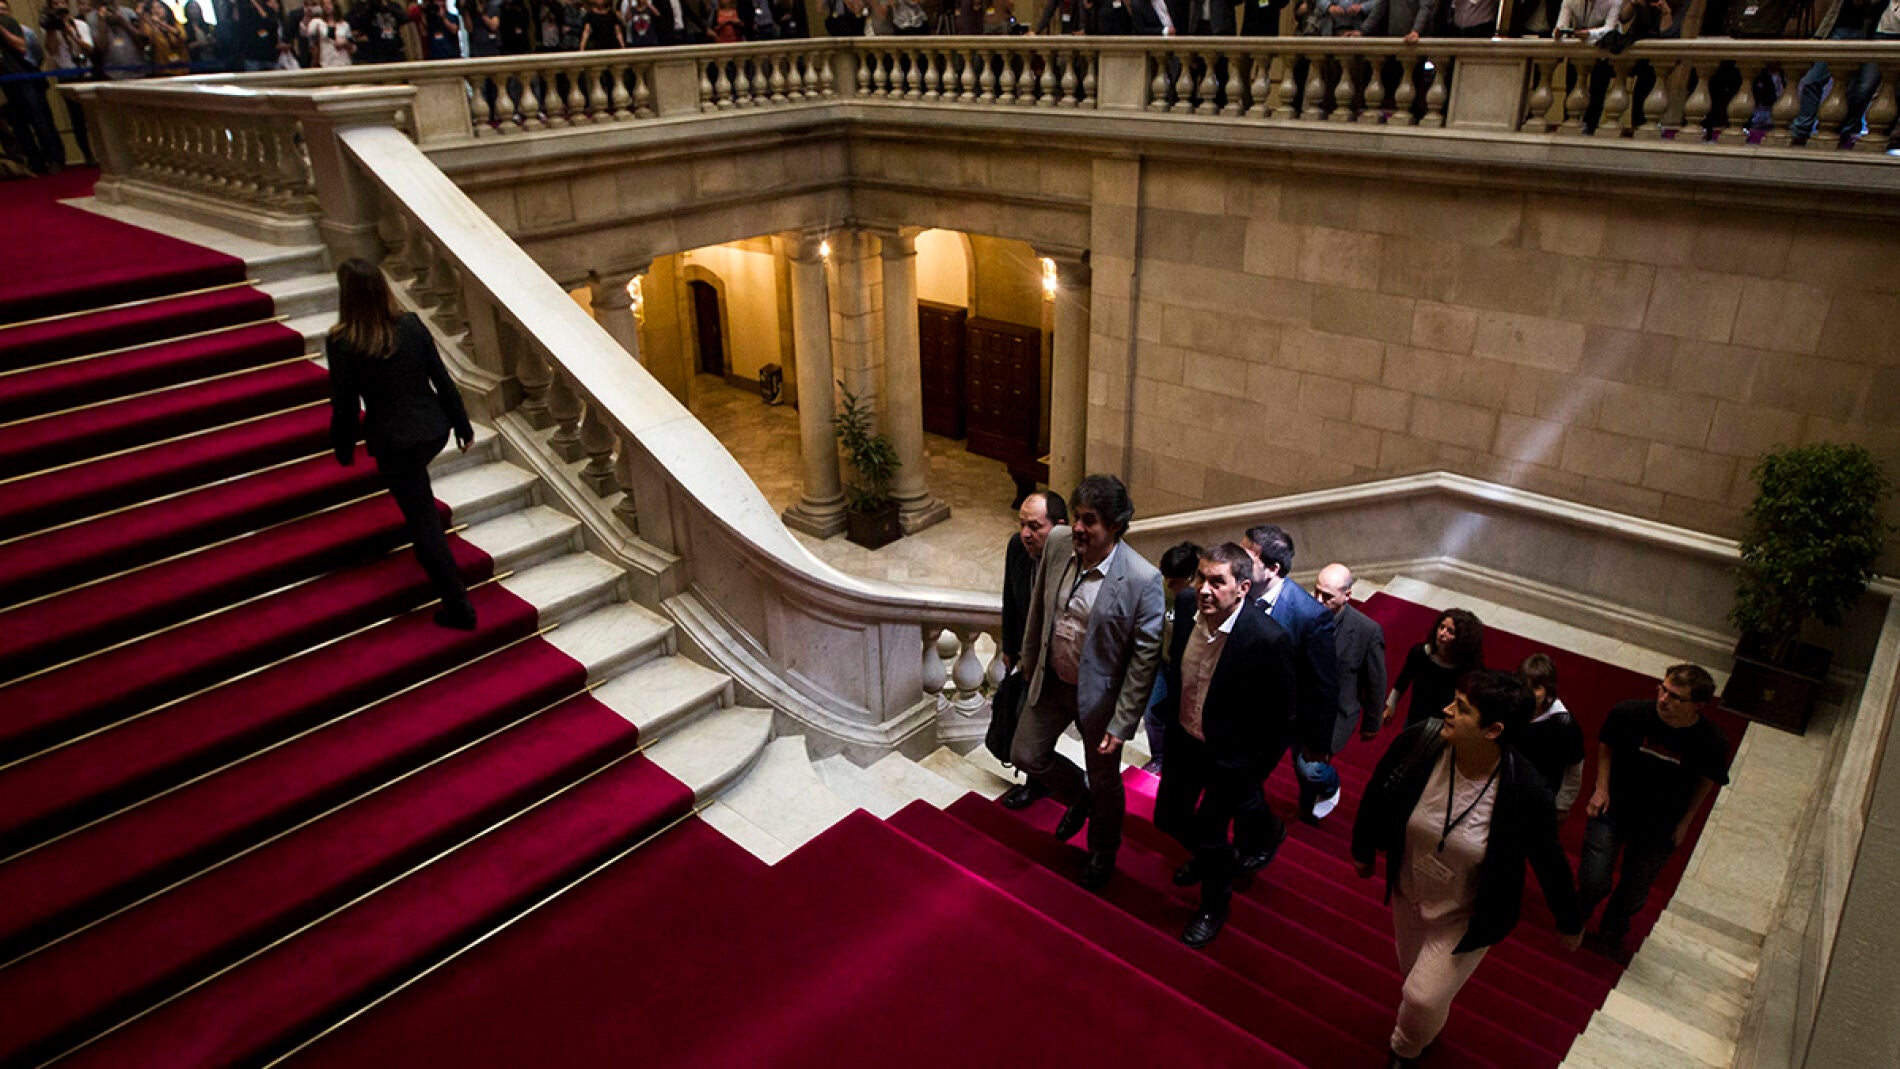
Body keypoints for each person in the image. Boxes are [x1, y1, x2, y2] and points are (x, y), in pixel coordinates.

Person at [1351, 670, 1584, 1069]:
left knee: (1422, 995)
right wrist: (1363, 848)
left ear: (1493, 730)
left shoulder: (1526, 790)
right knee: (1415, 980)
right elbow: (1378, 791)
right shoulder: (1422, 742)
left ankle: (1404, 1050)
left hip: (1466, 915)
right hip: (1410, 891)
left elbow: (1549, 857)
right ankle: (1425, 1026)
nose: (1447, 711)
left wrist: (1570, 919)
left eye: (1461, 708)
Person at [1011, 474, 1165, 892]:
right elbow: (1039, 606)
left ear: (1115, 526)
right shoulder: (1059, 544)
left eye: (1089, 520)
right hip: (1052, 680)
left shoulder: (1142, 580)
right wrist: (1029, 661)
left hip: (1099, 699)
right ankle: (1080, 799)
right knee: (1025, 752)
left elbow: (1145, 657)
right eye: (1077, 517)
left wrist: (1122, 723)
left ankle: (1102, 849)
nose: (1078, 527)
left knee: (1105, 779)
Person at [1154, 543, 1298, 947]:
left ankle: (1215, 903)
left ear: (1242, 588)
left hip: (1228, 759)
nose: (1203, 589)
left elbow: (1283, 718)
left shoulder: (1267, 639)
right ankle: (1221, 860)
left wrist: (1249, 771)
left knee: (1212, 833)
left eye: (1217, 582)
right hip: (1185, 740)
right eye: (1201, 578)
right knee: (1167, 818)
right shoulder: (1185, 606)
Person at [325, 259, 479, 633]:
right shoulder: (409, 324)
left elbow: (344, 405)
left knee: (423, 522)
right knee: (418, 498)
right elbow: (441, 378)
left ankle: (460, 608)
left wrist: (343, 447)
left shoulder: (343, 341)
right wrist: (461, 424)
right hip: (432, 429)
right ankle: (430, 557)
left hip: (395, 440)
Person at [1578, 664, 1730, 963]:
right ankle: (1576, 917)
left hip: (1661, 823)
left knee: (1635, 887)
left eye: (1675, 697)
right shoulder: (1630, 713)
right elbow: (1607, 743)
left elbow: (1707, 780)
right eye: (1662, 689)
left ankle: (1611, 934)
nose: (1663, 699)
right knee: (1595, 876)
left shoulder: (1711, 741)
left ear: (1697, 705)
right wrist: (1601, 786)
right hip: (1615, 807)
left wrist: (1686, 821)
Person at [1242, 524, 1340, 827]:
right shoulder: (1237, 591)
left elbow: (1323, 684)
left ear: (1272, 568)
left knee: (1247, 784)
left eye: (1248, 558)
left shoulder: (1310, 616)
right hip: (1238, 710)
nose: (1237, 562)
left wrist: (1318, 743)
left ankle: (1262, 837)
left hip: (1278, 720)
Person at [997, 488, 1068, 811]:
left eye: (1035, 527)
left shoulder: (1072, 561)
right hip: (1030, 658)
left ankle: (1082, 791)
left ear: (1061, 527)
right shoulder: (1016, 547)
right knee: (1025, 721)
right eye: (1022, 524)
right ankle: (1036, 783)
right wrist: (1010, 646)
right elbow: (1010, 600)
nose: (1026, 534)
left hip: (1064, 664)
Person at [1139, 540, 1201, 776]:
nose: (1167, 585)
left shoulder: (1200, 599)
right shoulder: (1162, 590)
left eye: (1173, 581)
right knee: (1153, 712)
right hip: (1163, 664)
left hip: (1189, 671)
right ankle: (1159, 758)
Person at [1315, 562, 1388, 752]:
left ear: (1347, 595)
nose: (1318, 600)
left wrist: (1372, 724)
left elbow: (1376, 683)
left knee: (1311, 770)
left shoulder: (1367, 631)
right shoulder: (1305, 613)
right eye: (1316, 591)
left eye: (1327, 596)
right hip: (1297, 709)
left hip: (1334, 716)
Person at [1514, 653, 1585, 820]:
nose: (1529, 693)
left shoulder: (1564, 724)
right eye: (1524, 685)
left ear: (1548, 690)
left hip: (1539, 802)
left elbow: (1574, 770)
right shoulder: (1514, 707)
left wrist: (1562, 806)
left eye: (1536, 688)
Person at [1386, 607, 1483, 729]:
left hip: (1445, 726)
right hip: (1415, 719)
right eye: (1441, 627)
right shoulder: (1420, 653)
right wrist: (1391, 705)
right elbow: (1403, 679)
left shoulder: (1469, 668)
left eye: (1450, 631)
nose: (1442, 634)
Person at [303, 0, 353, 66]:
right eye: (324, 4)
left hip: (343, 63)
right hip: (326, 63)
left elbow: (353, 48)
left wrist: (345, 43)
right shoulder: (317, 23)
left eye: (329, 4)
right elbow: (311, 44)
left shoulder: (344, 25)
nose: (327, 6)